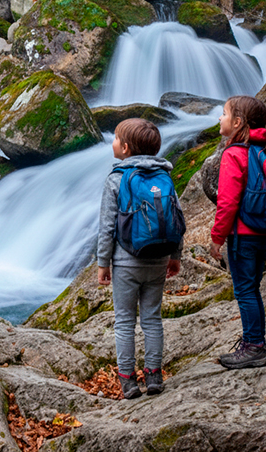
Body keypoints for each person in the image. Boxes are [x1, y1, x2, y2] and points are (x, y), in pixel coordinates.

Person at [97, 118, 182, 399]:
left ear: (124, 147)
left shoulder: (116, 179)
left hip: (126, 262)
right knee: (152, 319)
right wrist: (175, 256)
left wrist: (102, 263)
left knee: (124, 321)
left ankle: (128, 380)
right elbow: (175, 219)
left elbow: (107, 226)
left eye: (115, 139)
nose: (112, 143)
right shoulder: (164, 176)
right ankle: (154, 375)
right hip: (158, 259)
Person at [209, 95, 266, 370]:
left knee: (245, 291)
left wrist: (217, 238)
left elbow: (227, 202)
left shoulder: (234, 154)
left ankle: (253, 347)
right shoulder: (265, 149)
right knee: (253, 289)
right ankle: (255, 342)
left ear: (237, 122)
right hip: (264, 232)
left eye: (223, 114)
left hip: (243, 235)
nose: (219, 118)